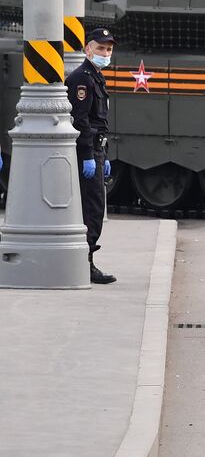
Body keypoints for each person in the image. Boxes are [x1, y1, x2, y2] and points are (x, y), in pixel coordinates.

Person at [67, 28, 117, 285]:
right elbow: (81, 120)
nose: (105, 53)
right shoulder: (82, 79)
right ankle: (85, 263)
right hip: (87, 150)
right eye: (100, 48)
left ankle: (86, 260)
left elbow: (100, 120)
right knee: (93, 207)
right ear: (88, 49)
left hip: (97, 149)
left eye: (108, 49)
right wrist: (88, 153)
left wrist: (103, 153)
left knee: (94, 206)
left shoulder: (96, 76)